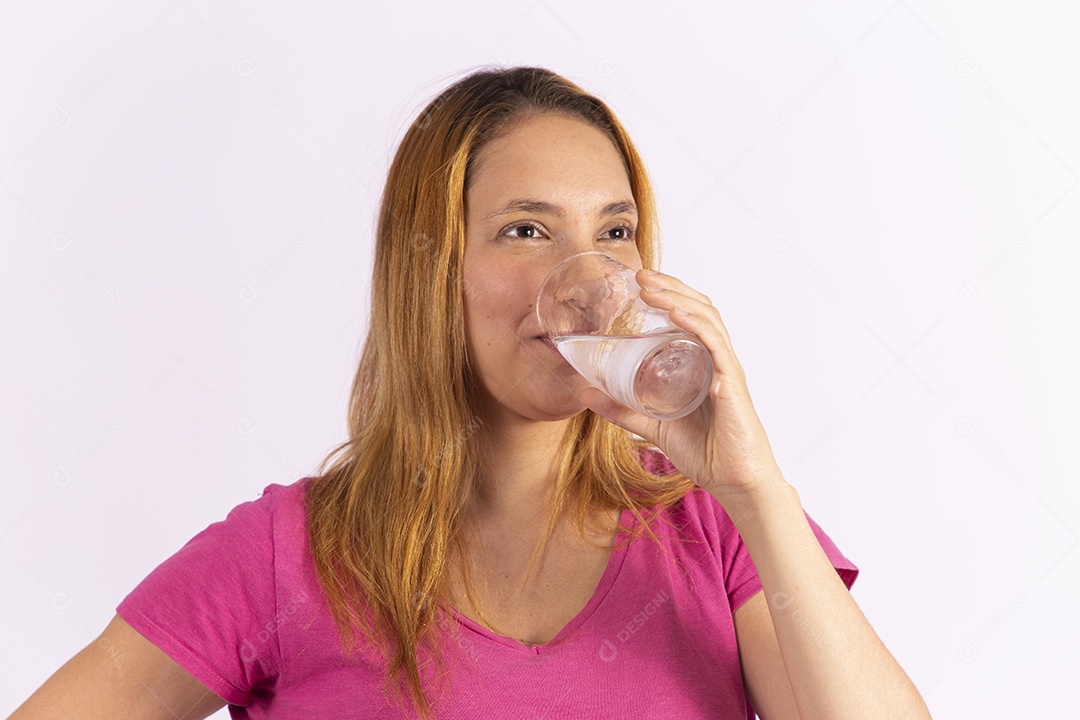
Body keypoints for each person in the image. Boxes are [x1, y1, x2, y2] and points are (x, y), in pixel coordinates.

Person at [10, 66, 931, 719]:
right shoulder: (286, 557)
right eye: (527, 230)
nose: (587, 281)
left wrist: (755, 489)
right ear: (432, 267)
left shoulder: (718, 527)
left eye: (614, 233)